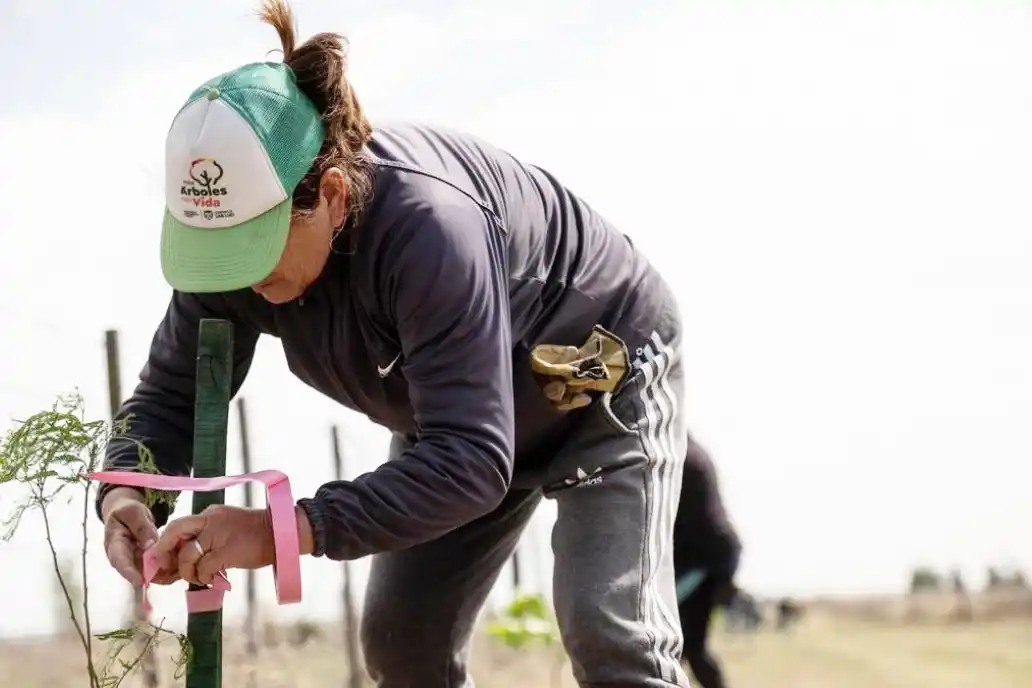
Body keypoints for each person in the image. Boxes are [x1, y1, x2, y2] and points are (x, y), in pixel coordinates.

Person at [96, 1, 691, 686]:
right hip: (457, 423)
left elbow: (470, 459)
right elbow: (169, 396)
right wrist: (127, 495)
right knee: (403, 646)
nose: (244, 279)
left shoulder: (430, 231)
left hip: (598, 378)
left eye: (256, 247)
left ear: (332, 194)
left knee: (610, 635)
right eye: (221, 251)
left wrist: (276, 532)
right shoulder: (231, 265)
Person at [672, 435, 741, 688]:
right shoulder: (687, 448)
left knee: (681, 643)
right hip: (710, 557)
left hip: (704, 560)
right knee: (683, 644)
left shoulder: (681, 455)